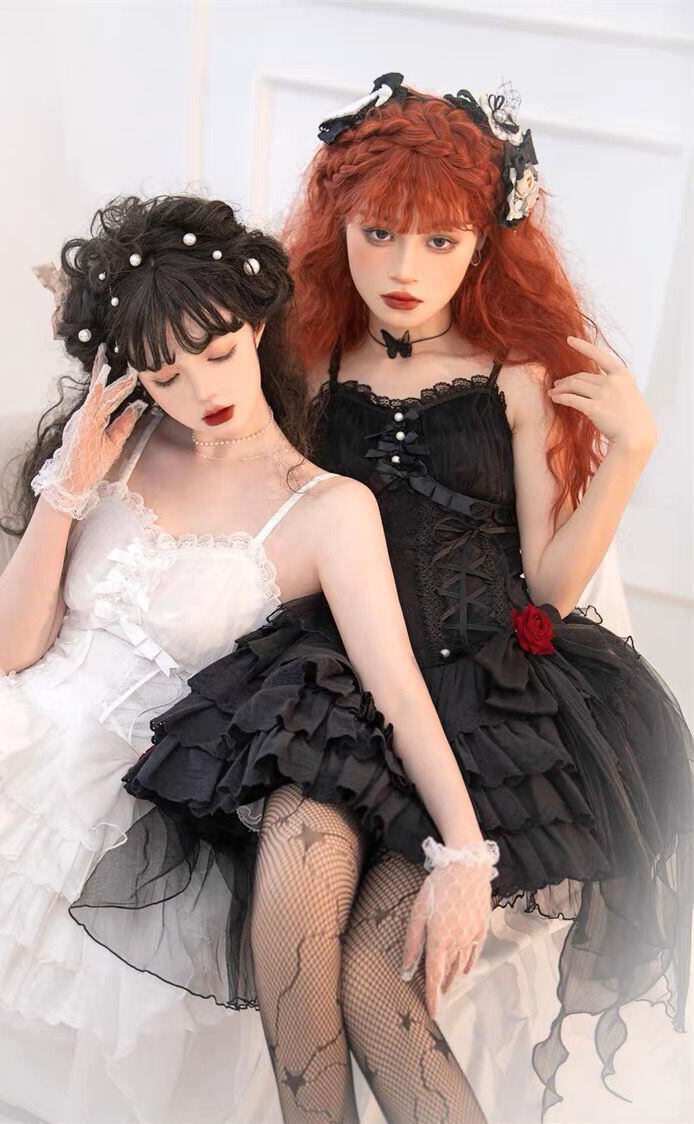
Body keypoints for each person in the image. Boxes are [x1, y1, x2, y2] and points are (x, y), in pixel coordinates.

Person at [0, 192, 497, 1124]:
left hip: (131, 790)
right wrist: (69, 486)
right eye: (165, 375)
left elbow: (399, 692)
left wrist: (465, 854)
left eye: (218, 351)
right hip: (11, 736)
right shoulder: (119, 451)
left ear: (255, 326)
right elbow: (7, 651)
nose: (202, 391)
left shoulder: (328, 509)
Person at [270, 73, 693, 1117]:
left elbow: (552, 583)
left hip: (485, 701)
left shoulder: (515, 375)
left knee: (375, 973)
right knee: (294, 928)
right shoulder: (312, 361)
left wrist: (631, 453)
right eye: (376, 234)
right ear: (337, 224)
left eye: (439, 240)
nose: (403, 268)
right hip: (340, 687)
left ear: (486, 241)